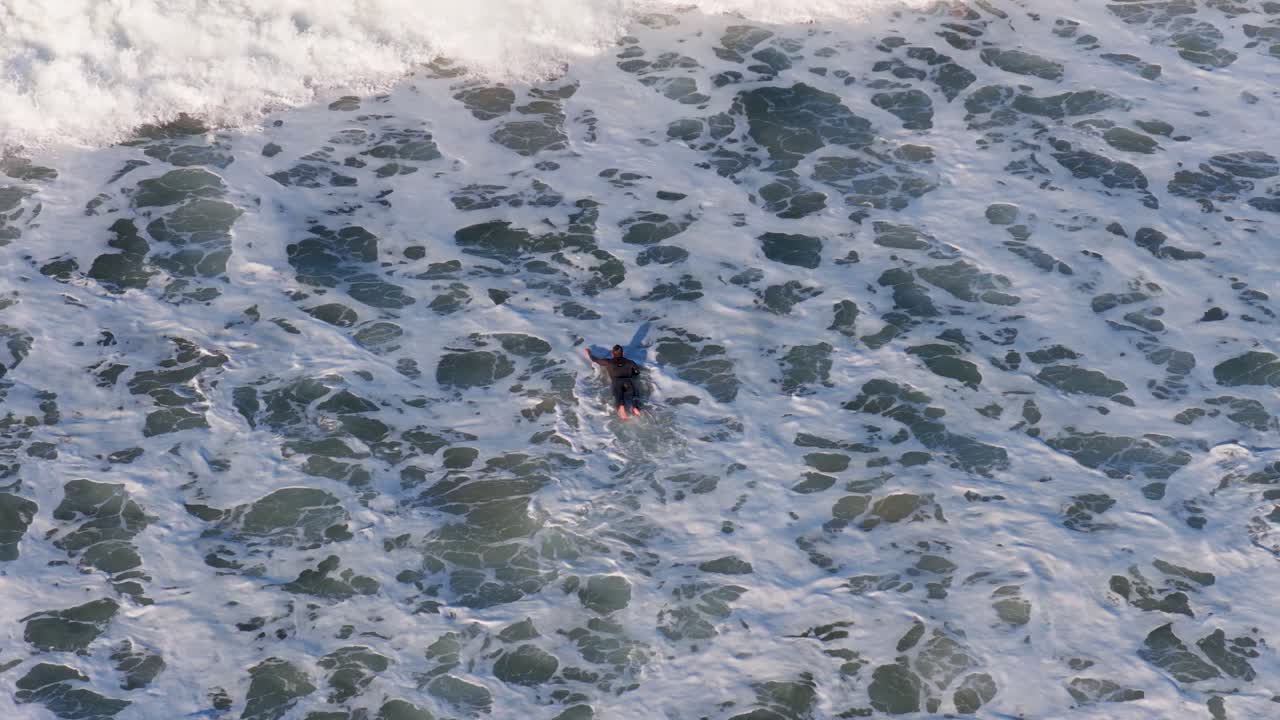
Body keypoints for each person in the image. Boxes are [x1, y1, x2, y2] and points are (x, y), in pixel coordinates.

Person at [585, 344, 644, 419]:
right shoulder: (630, 362)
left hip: (617, 382)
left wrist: (589, 353)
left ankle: (622, 408)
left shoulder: (609, 362)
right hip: (628, 381)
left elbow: (595, 360)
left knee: (619, 397)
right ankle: (635, 407)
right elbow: (637, 372)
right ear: (622, 353)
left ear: (612, 354)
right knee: (635, 396)